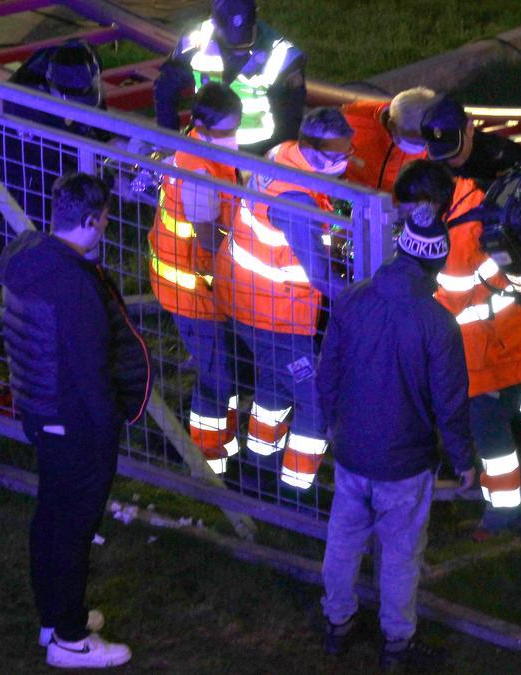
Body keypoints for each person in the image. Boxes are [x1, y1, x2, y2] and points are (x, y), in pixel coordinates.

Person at [317, 171, 475, 670]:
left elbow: (328, 375)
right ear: (435, 262)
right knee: (401, 556)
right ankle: (396, 642)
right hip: (405, 463)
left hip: (352, 452)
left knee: (343, 541)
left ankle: (337, 624)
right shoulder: (438, 325)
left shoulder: (353, 300)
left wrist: (330, 425)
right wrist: (464, 461)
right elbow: (449, 403)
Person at [398, 157, 521, 539]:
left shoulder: (456, 246)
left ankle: (504, 517)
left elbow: (447, 309)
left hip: (491, 349)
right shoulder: (477, 197)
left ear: (427, 204)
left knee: (493, 437)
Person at [0, 172, 152, 669]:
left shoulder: (28, 255)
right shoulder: (75, 286)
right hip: (75, 422)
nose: (107, 226)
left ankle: (56, 617)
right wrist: (109, 425)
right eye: (105, 218)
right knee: (73, 529)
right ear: (90, 221)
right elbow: (90, 370)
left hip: (42, 413)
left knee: (52, 518)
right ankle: (69, 640)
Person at [215, 107, 353, 490]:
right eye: (340, 155)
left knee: (276, 385)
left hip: (248, 300)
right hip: (276, 315)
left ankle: (259, 468)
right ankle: (295, 488)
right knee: (314, 401)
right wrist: (365, 298)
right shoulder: (298, 204)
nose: (346, 162)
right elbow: (321, 276)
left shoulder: (281, 156)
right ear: (319, 155)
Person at [148, 82, 242, 474]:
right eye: (226, 130)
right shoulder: (201, 171)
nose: (233, 137)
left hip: (190, 282)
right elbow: (208, 235)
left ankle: (222, 444)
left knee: (222, 370)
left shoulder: (196, 151)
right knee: (218, 377)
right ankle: (206, 462)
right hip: (193, 290)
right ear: (202, 126)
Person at [154, 0, 305, 154]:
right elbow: (166, 87)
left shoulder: (282, 55)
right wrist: (169, 141)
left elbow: (290, 118)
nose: (237, 54)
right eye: (231, 48)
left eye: (244, 46)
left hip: (255, 150)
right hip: (203, 140)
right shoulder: (197, 41)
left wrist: (276, 160)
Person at [0, 38, 109, 228]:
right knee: (32, 200)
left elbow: (96, 116)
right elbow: (47, 162)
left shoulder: (86, 60)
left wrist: (106, 142)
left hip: (46, 132)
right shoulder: (25, 104)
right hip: (20, 152)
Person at [418, 93, 521, 186]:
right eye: (440, 151)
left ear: (470, 129)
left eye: (453, 150)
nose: (449, 160)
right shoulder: (435, 167)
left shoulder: (502, 157)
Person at [341, 86, 436, 192]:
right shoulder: (356, 115)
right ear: (391, 124)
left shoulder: (433, 133)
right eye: (412, 139)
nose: (420, 146)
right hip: (350, 191)